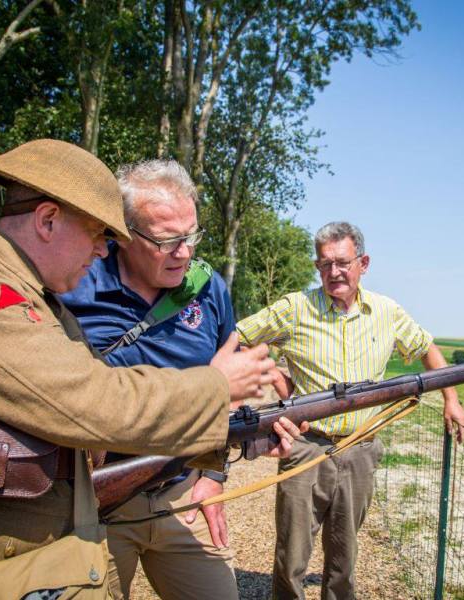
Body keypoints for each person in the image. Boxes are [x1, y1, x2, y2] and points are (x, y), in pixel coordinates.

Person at [0, 139, 300, 598]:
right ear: (48, 220)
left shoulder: (33, 295)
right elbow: (93, 403)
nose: (103, 250)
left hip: (9, 554)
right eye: (98, 232)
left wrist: (236, 435)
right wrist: (216, 387)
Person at [62, 159, 304, 599]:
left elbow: (226, 394)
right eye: (167, 240)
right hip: (94, 503)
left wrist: (216, 474)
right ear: (123, 232)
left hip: (180, 492)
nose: (185, 252)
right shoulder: (75, 282)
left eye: (191, 236)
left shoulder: (208, 288)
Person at [237, 221, 464, 600]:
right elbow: (239, 337)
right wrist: (277, 380)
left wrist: (451, 399)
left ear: (364, 262)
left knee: (344, 558)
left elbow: (427, 348)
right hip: (305, 447)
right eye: (325, 264)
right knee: (291, 557)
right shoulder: (296, 308)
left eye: (342, 262)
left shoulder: (387, 312)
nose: (334, 272)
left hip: (361, 448)